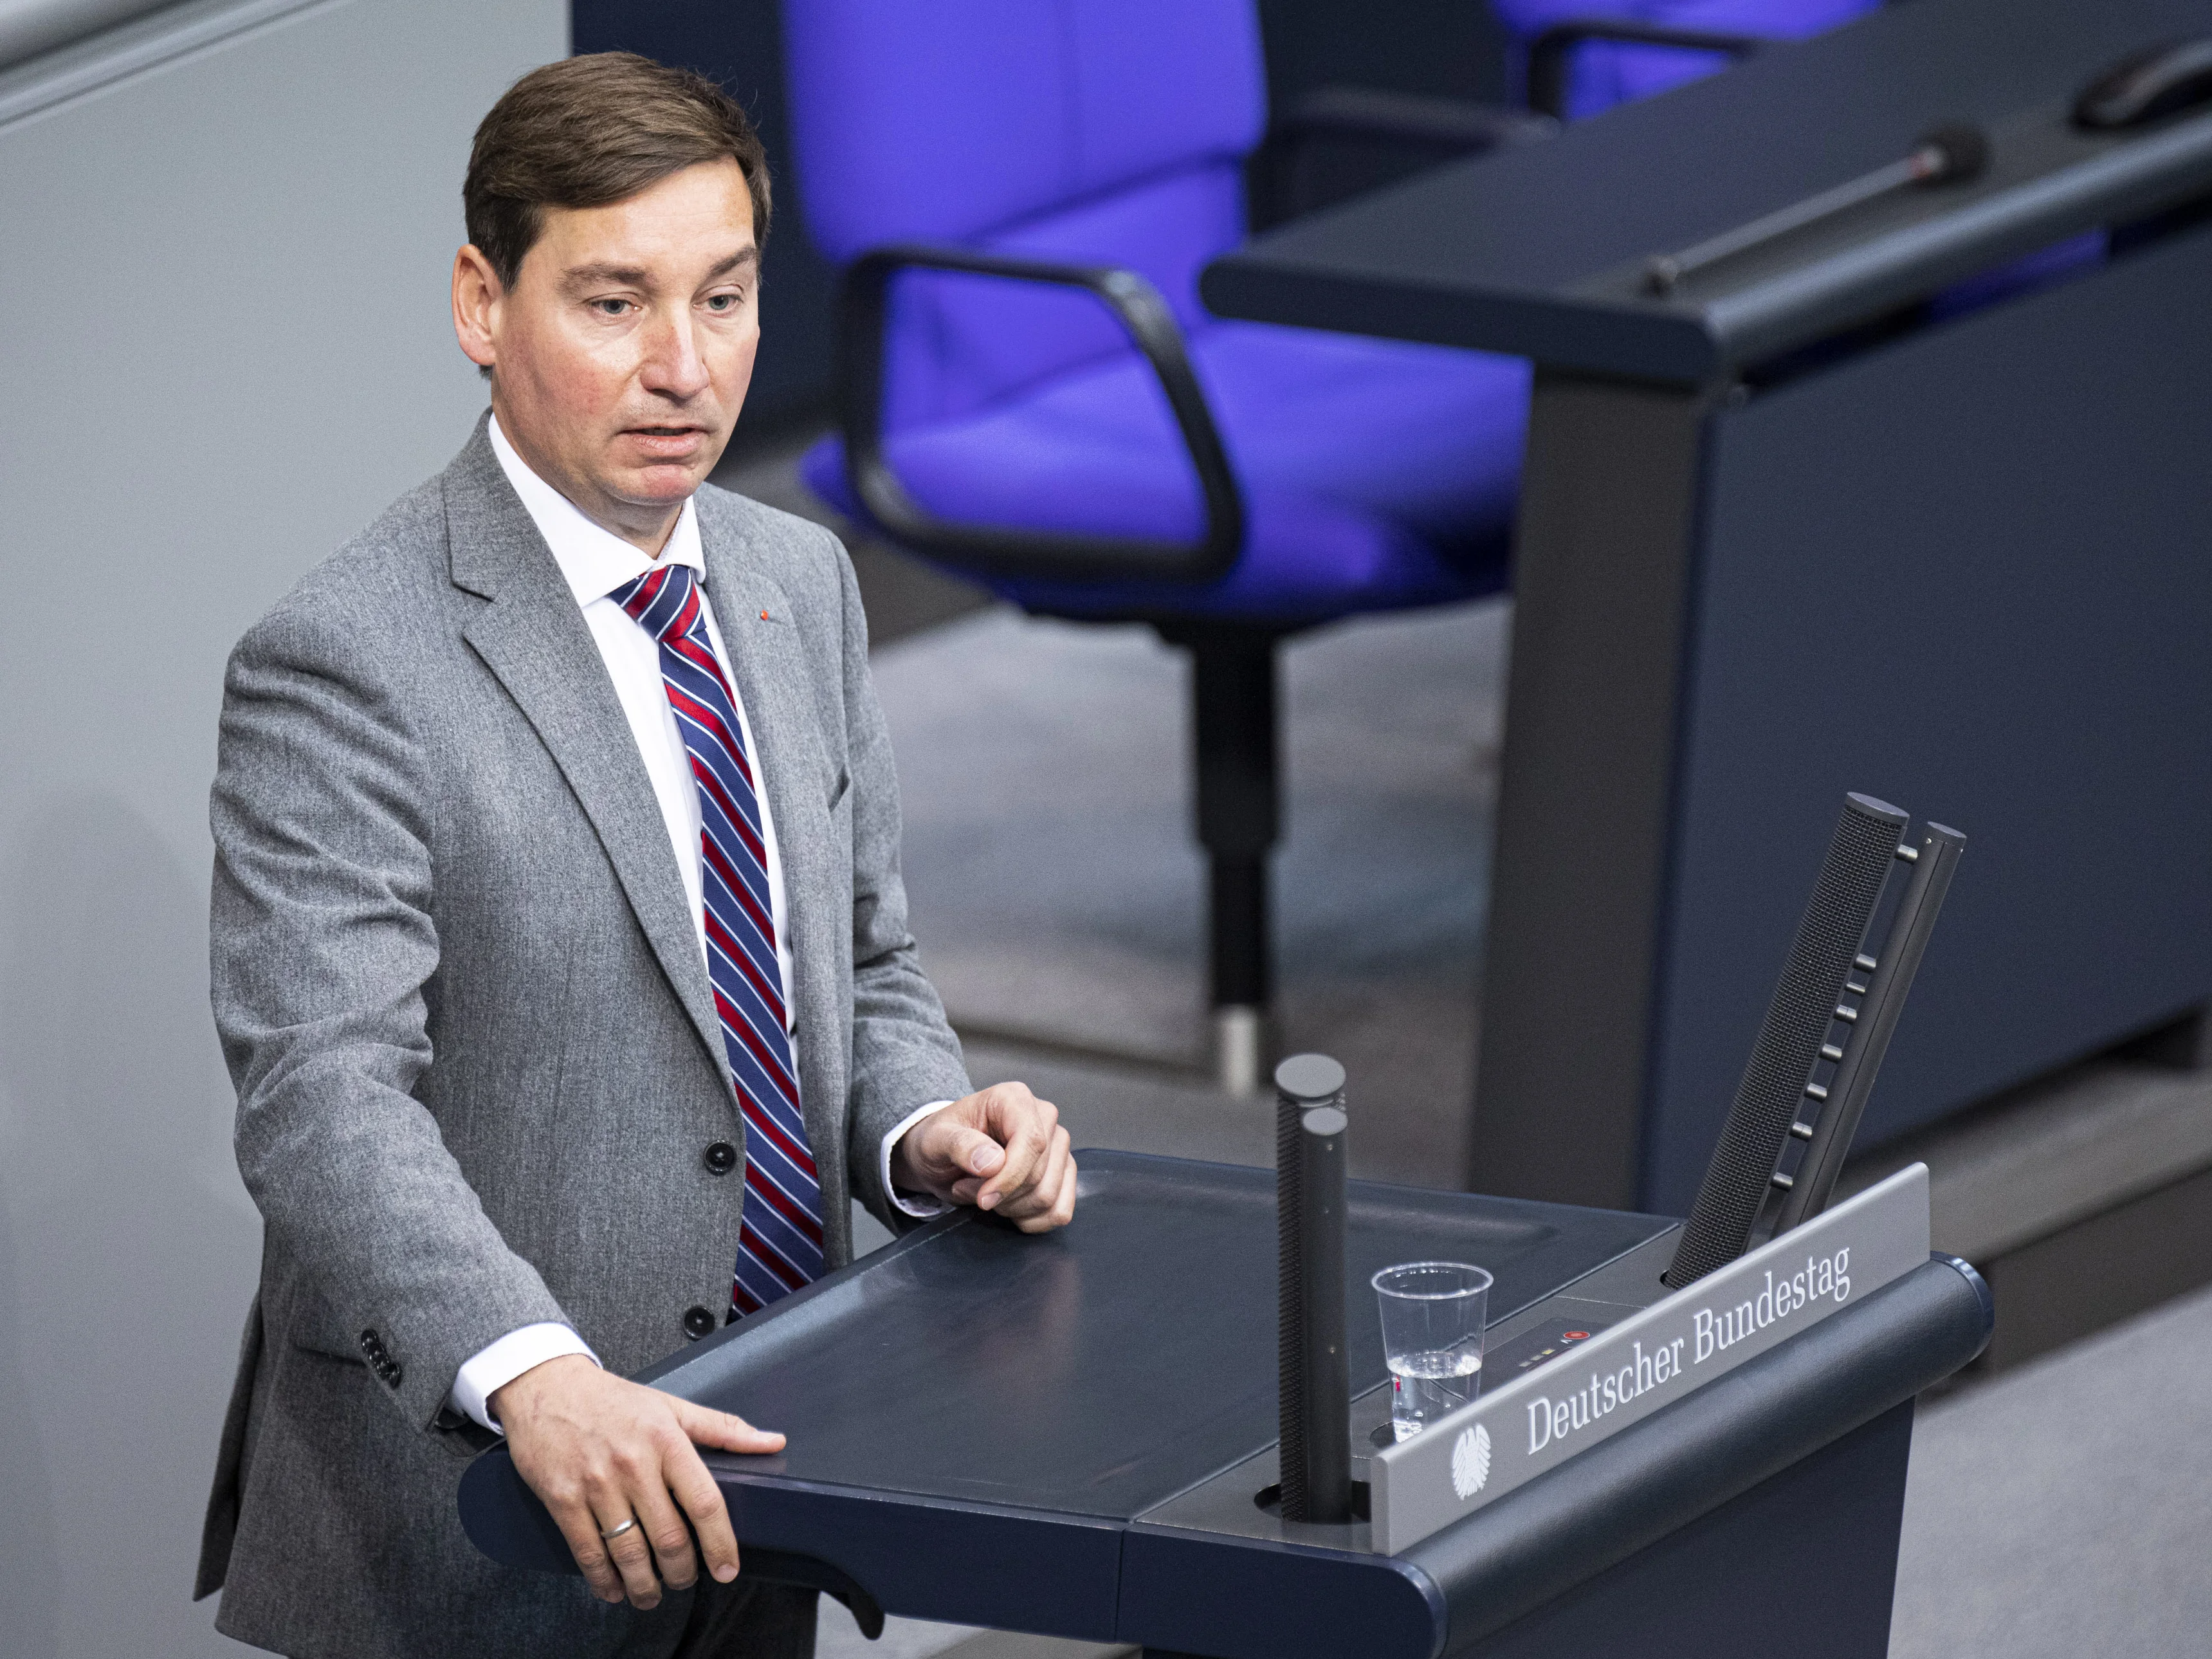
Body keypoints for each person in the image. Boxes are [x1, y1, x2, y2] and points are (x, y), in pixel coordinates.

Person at [192, 51, 1075, 1659]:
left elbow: (859, 961)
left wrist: (928, 1128)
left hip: (771, 1467)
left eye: (726, 298)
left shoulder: (798, 582)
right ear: (482, 302)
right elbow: (323, 1099)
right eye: (615, 305)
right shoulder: (342, 660)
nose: (685, 366)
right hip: (475, 1526)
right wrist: (537, 1374)